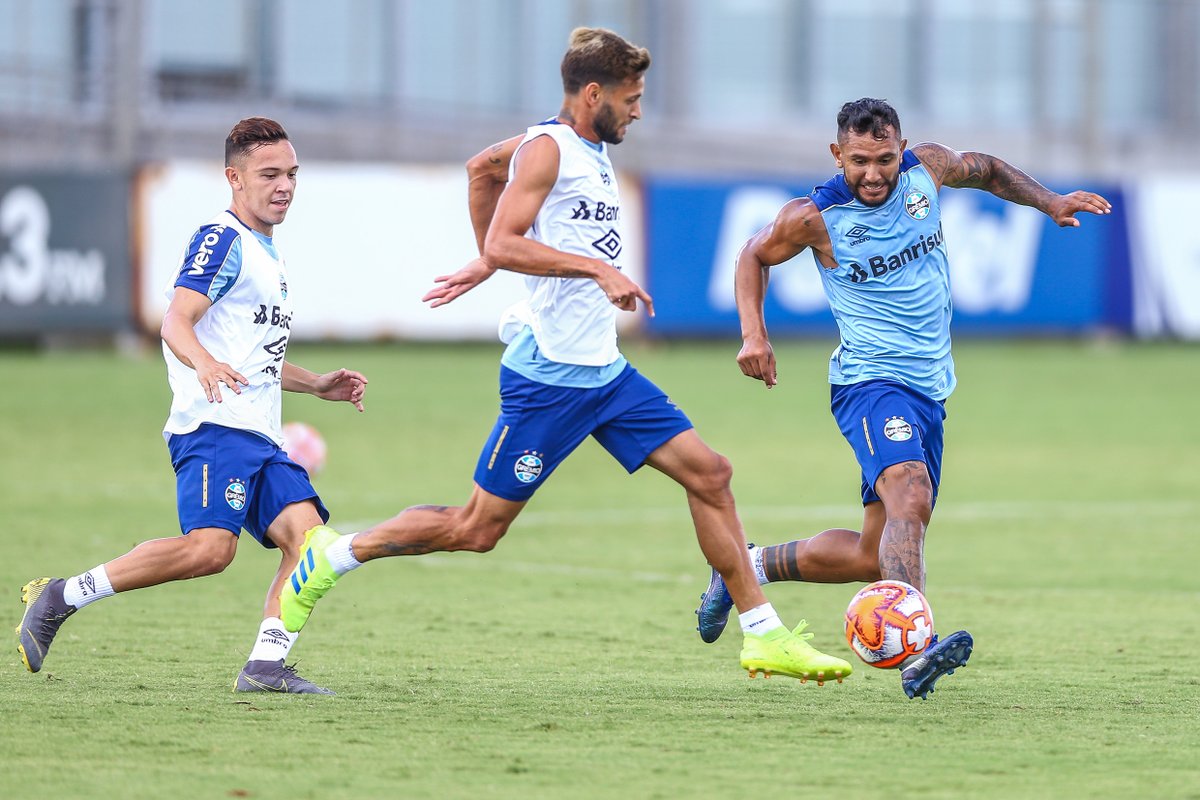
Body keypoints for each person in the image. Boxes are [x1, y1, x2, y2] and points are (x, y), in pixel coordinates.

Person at [276, 28, 852, 686]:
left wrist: (491, 259)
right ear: (593, 94)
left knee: (710, 474)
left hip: (602, 372)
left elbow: (481, 171)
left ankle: (763, 635)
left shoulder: (570, 146)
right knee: (476, 528)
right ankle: (333, 556)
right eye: (631, 99)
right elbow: (506, 231)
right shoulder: (548, 151)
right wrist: (568, 266)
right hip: (549, 377)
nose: (638, 110)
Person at [694, 97, 1112, 698]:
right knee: (909, 494)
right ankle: (917, 649)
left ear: (901, 148)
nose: (873, 174)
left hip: (930, 388)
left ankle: (744, 566)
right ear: (838, 154)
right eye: (859, 161)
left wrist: (1049, 201)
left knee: (874, 554)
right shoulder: (814, 216)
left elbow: (987, 169)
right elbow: (752, 255)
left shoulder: (927, 171)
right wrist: (753, 334)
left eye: (885, 159)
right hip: (868, 382)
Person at [15, 117, 368, 694]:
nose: (285, 186)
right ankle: (61, 596)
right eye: (269, 174)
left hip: (259, 432)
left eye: (292, 174)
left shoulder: (267, 254)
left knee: (308, 546)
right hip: (216, 428)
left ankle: (265, 667)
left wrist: (317, 385)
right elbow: (176, 320)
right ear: (234, 177)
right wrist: (202, 364)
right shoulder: (222, 238)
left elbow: (255, 361)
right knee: (210, 550)